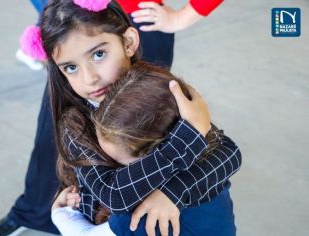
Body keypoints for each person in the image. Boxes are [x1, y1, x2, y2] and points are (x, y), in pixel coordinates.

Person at [0, 0, 226, 235]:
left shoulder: (160, 91)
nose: (90, 78)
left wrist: (172, 191)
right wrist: (189, 136)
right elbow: (113, 195)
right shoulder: (74, 124)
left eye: (99, 54)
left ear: (129, 43)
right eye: (70, 67)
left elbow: (227, 152)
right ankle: (34, 213)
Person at [50, 62, 236, 236]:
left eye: (119, 164)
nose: (111, 169)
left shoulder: (141, 216)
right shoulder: (205, 167)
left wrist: (61, 215)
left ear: (148, 156)